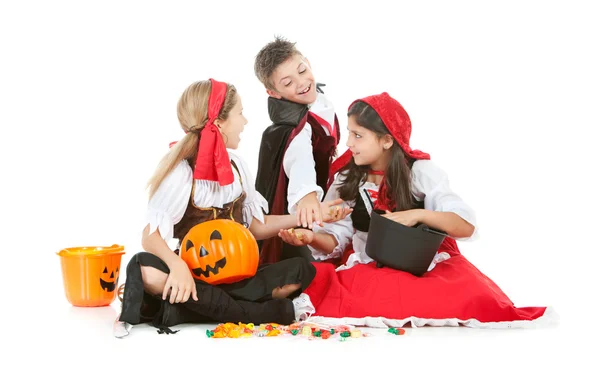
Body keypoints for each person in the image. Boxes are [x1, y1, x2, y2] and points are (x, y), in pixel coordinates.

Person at [279, 92, 551, 328]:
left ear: (387, 140)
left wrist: (417, 215)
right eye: (349, 133)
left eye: (358, 135)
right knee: (341, 291)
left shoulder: (419, 172)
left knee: (467, 297)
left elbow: (466, 225)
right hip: (370, 262)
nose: (348, 143)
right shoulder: (348, 178)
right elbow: (338, 239)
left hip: (419, 263)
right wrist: (311, 237)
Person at [116, 78, 350, 336]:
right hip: (195, 276)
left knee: (300, 269)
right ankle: (256, 313)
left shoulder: (238, 167)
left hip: (239, 277)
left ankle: (184, 310)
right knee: (143, 266)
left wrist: (307, 215)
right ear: (219, 124)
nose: (245, 121)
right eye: (240, 113)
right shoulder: (182, 172)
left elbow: (257, 227)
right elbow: (150, 237)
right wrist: (176, 265)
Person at [253, 36, 341, 264]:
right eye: (288, 83)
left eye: (302, 71)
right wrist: (307, 196)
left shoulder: (320, 102)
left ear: (308, 62)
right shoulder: (294, 129)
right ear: (274, 93)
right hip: (299, 216)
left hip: (328, 197)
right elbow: (299, 158)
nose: (301, 83)